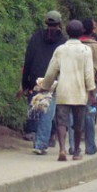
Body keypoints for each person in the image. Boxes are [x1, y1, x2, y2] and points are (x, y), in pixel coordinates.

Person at [38, 20, 96, 162]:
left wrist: (45, 86)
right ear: (82, 32)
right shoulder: (86, 50)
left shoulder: (60, 50)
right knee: (78, 124)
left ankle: (62, 149)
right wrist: (92, 92)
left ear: (67, 32)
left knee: (61, 122)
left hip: (63, 90)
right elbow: (89, 74)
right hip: (80, 92)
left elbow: (52, 71)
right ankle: (76, 151)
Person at [19, 10, 67, 155]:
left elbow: (28, 60)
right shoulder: (63, 41)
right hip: (54, 81)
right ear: (59, 23)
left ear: (46, 22)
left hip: (35, 80)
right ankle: (41, 142)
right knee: (48, 112)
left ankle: (38, 136)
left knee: (37, 110)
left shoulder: (36, 37)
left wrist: (25, 83)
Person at [71, 18, 97, 155]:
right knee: (89, 116)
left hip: (73, 84)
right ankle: (90, 146)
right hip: (91, 87)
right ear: (93, 30)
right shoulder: (96, 47)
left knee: (73, 115)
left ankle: (73, 146)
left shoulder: (71, 46)